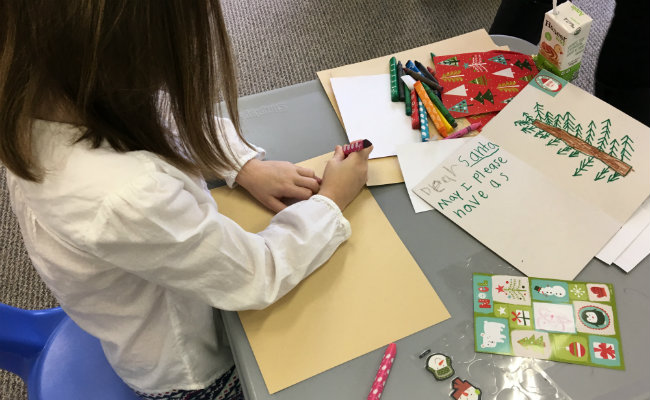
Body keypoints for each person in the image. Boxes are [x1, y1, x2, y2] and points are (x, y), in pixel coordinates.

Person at [0, 1, 372, 399]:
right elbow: (257, 275)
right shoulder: (124, 193)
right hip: (193, 372)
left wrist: (241, 165)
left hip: (137, 309)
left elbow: (162, 115)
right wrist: (331, 200)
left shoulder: (41, 97)